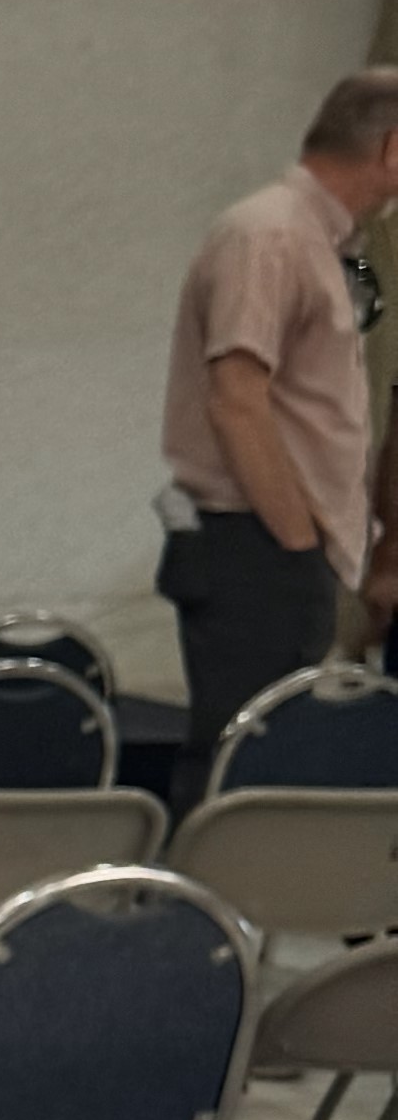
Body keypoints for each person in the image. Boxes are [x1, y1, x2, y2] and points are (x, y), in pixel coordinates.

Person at [160, 67, 398, 799]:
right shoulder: (269, 235)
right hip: (257, 544)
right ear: (392, 149)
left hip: (284, 548)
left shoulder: (321, 239)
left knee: (273, 766)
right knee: (240, 767)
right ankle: (196, 880)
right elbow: (237, 401)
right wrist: (298, 543)